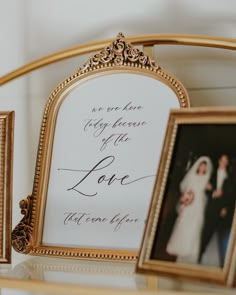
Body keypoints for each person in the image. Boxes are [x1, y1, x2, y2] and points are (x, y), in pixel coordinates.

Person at [166, 156, 212, 264]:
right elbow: (184, 188)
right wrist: (185, 199)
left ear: (206, 168)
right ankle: (180, 247)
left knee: (195, 227)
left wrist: (210, 189)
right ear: (198, 166)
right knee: (183, 225)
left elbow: (209, 191)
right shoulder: (191, 176)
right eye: (201, 165)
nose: (202, 167)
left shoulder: (206, 178)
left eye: (205, 166)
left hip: (199, 206)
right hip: (189, 204)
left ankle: (190, 250)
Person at [198, 154, 234, 267]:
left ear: (227, 163)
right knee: (206, 230)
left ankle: (223, 261)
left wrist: (226, 207)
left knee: (218, 232)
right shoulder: (211, 174)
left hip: (221, 209)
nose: (223, 162)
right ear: (219, 161)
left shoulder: (230, 177)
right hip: (210, 207)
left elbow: (231, 194)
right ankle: (200, 252)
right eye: (222, 160)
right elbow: (203, 189)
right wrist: (213, 192)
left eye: (226, 161)